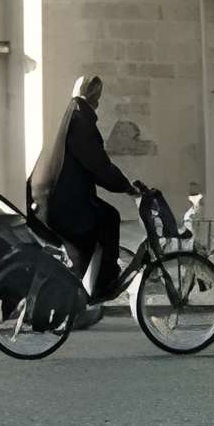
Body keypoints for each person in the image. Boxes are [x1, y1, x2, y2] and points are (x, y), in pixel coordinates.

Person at [27, 73, 134, 306]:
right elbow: (97, 164)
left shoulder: (68, 115)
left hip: (48, 198)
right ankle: (103, 285)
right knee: (109, 219)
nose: (99, 101)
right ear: (93, 96)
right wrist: (127, 187)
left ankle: (79, 298)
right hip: (60, 203)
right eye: (97, 95)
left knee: (87, 241)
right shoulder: (80, 119)